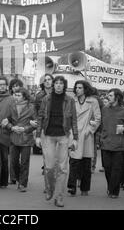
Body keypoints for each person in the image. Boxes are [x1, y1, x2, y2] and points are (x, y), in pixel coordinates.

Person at [35, 76, 78, 207]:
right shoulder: (46, 99)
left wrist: (75, 138)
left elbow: (74, 120)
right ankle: (50, 189)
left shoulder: (70, 100)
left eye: (61, 83)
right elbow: (40, 117)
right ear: (53, 85)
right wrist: (37, 135)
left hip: (64, 135)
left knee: (63, 168)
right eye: (56, 83)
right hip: (48, 135)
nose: (58, 85)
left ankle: (59, 197)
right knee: (49, 167)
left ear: (64, 86)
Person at [67, 80, 101, 196]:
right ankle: (71, 186)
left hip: (86, 135)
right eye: (76, 87)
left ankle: (85, 188)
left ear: (85, 89)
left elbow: (97, 119)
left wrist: (90, 131)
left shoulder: (93, 101)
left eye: (80, 87)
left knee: (86, 163)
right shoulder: (72, 100)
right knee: (73, 161)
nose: (77, 90)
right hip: (74, 133)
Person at [100, 88, 124, 199]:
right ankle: (110, 186)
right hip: (106, 143)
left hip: (119, 144)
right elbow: (101, 125)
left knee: (116, 169)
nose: (108, 97)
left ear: (117, 97)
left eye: (111, 95)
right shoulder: (104, 109)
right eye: (108, 95)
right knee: (107, 168)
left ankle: (114, 191)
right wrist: (101, 138)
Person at [6, 88, 37, 192]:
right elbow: (7, 120)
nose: (16, 97)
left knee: (24, 162)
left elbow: (35, 123)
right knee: (14, 161)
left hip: (26, 138)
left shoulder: (31, 107)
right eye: (15, 95)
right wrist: (12, 127)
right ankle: (19, 179)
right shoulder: (11, 106)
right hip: (14, 137)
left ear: (24, 96)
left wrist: (25, 128)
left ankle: (23, 184)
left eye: (19, 95)